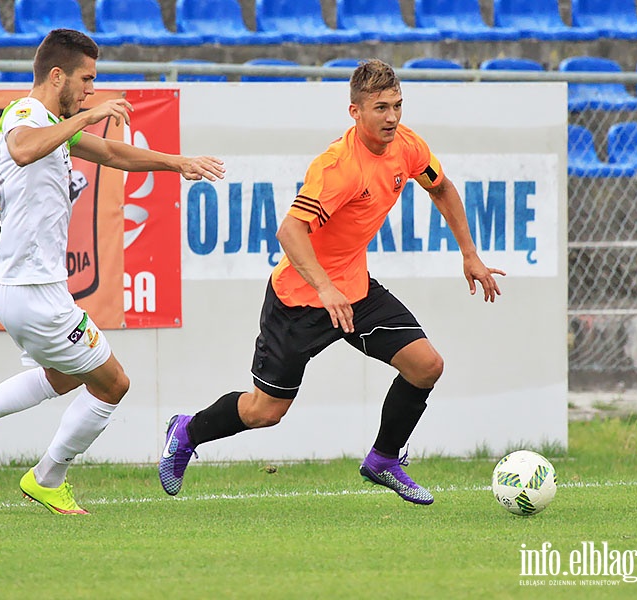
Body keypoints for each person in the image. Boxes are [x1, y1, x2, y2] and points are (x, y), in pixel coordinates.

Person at [158, 59, 504, 505]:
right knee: (266, 412)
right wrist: (325, 288)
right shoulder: (337, 168)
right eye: (381, 108)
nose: (393, 117)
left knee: (426, 366)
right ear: (355, 112)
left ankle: (383, 459)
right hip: (299, 299)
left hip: (355, 292)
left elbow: (441, 188)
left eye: (398, 105)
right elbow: (290, 231)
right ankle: (186, 431)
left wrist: (470, 254)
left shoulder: (408, 146)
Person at [0, 29, 224, 515]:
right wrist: (86, 116)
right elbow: (21, 149)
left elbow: (112, 154)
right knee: (114, 383)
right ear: (56, 75)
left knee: (62, 377)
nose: (91, 90)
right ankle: (48, 477)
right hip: (33, 291)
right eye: (86, 79)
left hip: (25, 286)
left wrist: (177, 162)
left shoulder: (49, 123)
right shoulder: (25, 114)